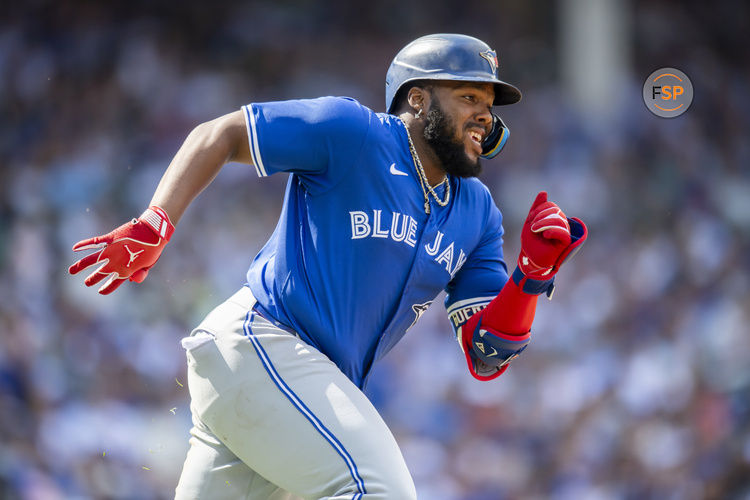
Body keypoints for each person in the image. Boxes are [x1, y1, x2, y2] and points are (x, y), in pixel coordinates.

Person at [69, 33, 587, 499]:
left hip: (291, 394)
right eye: (469, 97)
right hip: (260, 343)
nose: (485, 115)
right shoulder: (354, 132)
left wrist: (530, 276)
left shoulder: (478, 214)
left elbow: (486, 352)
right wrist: (156, 221)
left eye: (490, 105)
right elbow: (222, 134)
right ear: (417, 97)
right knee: (381, 492)